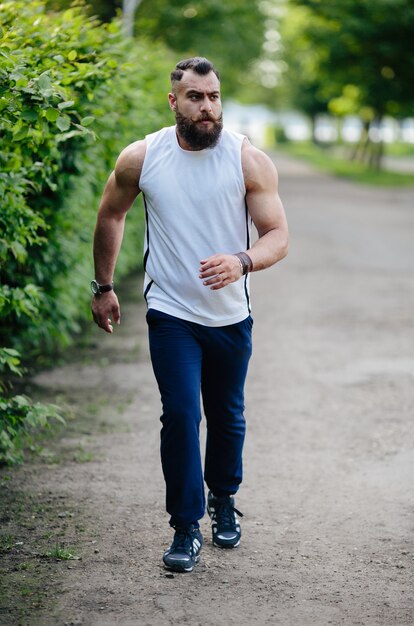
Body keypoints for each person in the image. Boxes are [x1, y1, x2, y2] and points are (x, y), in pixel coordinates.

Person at [91, 57, 288, 573]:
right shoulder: (142, 157)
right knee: (180, 414)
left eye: (214, 97)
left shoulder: (247, 159)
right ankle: (185, 525)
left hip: (229, 315)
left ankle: (224, 496)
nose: (208, 107)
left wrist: (242, 261)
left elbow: (278, 236)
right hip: (171, 311)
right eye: (197, 97)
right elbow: (112, 213)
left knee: (227, 416)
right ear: (174, 101)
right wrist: (104, 286)